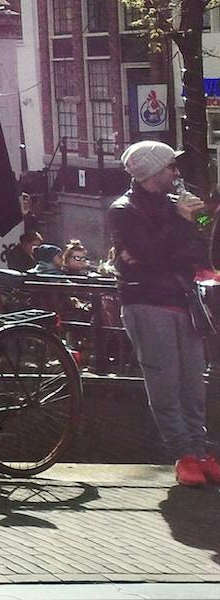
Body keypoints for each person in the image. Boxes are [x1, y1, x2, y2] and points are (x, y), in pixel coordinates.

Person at [107, 140, 219, 486]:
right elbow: (151, 253)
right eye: (172, 166)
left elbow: (202, 244)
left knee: (193, 384)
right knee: (165, 383)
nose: (177, 172)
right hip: (147, 303)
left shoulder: (178, 204)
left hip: (183, 300)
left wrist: (197, 218)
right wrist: (180, 224)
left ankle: (200, 453)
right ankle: (183, 455)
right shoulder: (124, 210)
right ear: (155, 172)